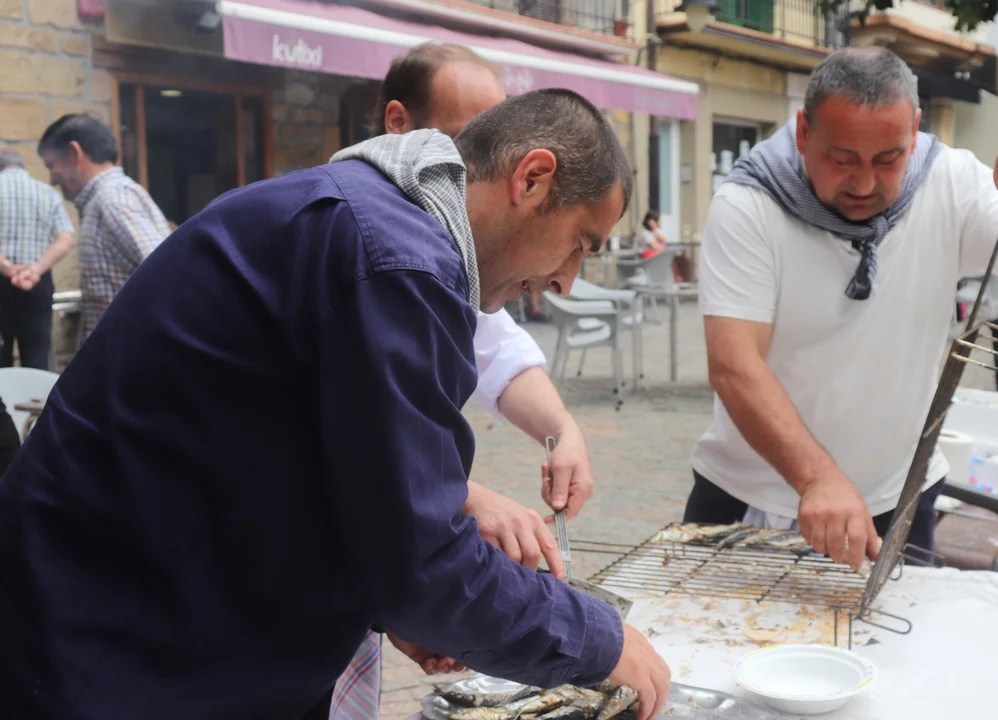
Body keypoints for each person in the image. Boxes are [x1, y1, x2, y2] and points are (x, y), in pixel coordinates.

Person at [0, 89, 671, 719]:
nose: (566, 280)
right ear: (532, 179)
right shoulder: (396, 258)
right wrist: (600, 638)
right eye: (580, 244)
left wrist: (380, 599)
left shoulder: (376, 217)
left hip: (143, 604)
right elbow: (421, 560)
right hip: (112, 640)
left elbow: (318, 470)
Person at [688, 47, 998, 570]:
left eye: (888, 159)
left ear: (914, 131)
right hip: (751, 495)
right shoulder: (749, 203)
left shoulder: (952, 181)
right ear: (804, 132)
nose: (864, 184)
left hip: (901, 492)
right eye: (842, 159)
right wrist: (817, 477)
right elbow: (735, 365)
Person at [319, 42, 600, 720]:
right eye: (469, 138)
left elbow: (494, 345)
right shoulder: (386, 243)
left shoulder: (430, 243)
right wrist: (465, 498)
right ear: (398, 123)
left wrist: (562, 430)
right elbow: (347, 443)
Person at [36, 113, 171, 344]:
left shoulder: (113, 200)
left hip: (131, 354)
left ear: (74, 153)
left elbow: (170, 277)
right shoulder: (104, 200)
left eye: (51, 165)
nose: (52, 179)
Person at [0, 149, 76, 369]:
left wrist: (7, 267)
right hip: (36, 283)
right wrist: (35, 270)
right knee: (37, 356)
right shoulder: (47, 193)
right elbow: (65, 239)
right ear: (23, 167)